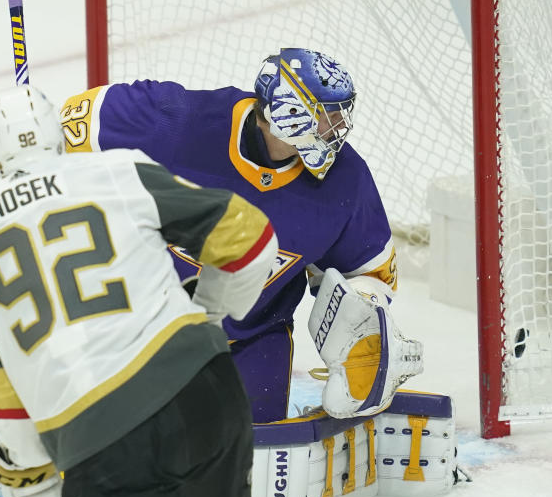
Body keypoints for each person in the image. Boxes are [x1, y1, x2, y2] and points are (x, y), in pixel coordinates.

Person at [0, 83, 277, 497]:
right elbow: (251, 242)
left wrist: (31, 479)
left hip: (104, 438)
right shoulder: (119, 170)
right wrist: (205, 314)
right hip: (207, 396)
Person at [59, 47, 397, 424]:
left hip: (251, 339)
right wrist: (30, 154)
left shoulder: (345, 181)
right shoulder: (177, 123)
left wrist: (360, 321)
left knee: (256, 463)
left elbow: (371, 272)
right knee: (114, 446)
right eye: (327, 115)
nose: (338, 128)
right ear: (288, 113)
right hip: (136, 330)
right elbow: (76, 123)